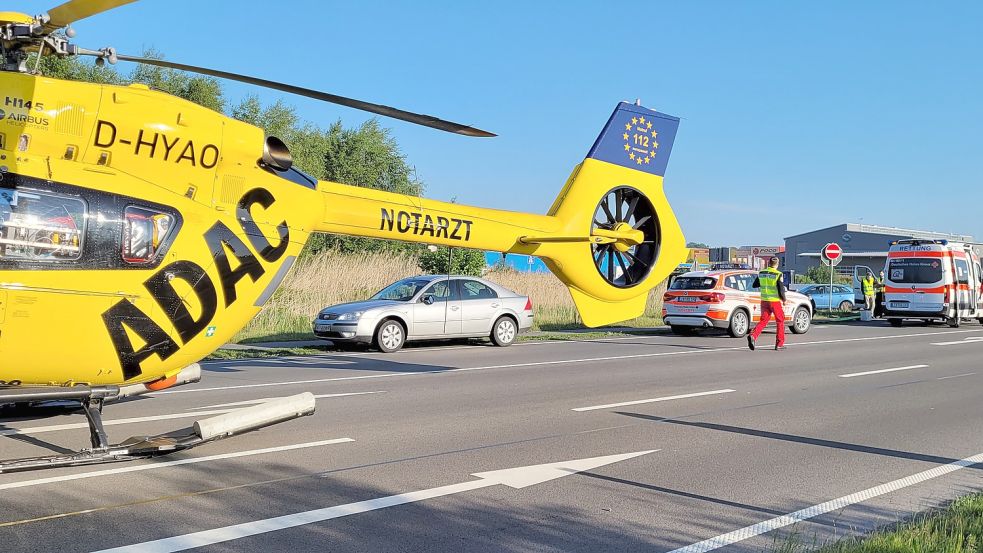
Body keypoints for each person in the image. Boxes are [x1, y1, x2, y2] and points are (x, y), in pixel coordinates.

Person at [748, 257, 787, 351]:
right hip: (774, 301)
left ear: (769, 263)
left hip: (764, 300)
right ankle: (779, 344)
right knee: (780, 320)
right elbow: (781, 288)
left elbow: (755, 285)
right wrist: (784, 299)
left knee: (764, 320)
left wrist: (764, 282)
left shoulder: (762, 273)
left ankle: (753, 336)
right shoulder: (778, 274)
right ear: (777, 264)